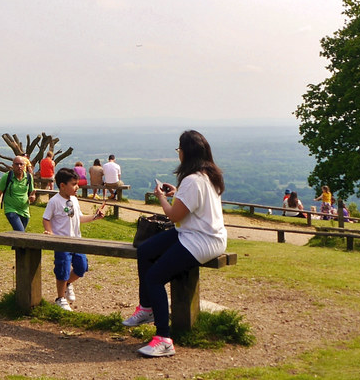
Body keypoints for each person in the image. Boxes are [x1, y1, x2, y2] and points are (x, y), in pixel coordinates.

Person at [122, 130, 227, 359]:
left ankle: (163, 339)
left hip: (200, 239)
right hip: (201, 233)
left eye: (179, 149)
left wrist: (161, 197)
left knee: (154, 277)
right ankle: (147, 308)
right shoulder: (208, 175)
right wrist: (178, 193)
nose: (178, 153)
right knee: (145, 250)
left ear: (185, 152)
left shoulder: (192, 180)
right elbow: (191, 206)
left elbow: (174, 216)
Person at [42, 167, 106, 310]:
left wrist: (95, 217)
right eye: (74, 184)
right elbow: (46, 218)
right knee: (63, 269)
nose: (77, 187)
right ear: (62, 185)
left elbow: (79, 218)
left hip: (77, 241)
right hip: (62, 242)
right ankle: (60, 298)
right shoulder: (54, 201)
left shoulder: (75, 200)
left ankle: (67, 284)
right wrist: (49, 231)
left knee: (81, 267)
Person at [0, 155, 36, 231]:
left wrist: (33, 197)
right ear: (13, 166)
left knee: (19, 235)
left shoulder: (29, 177)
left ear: (25, 166)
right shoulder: (7, 177)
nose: (19, 166)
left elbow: (32, 193)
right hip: (11, 209)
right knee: (20, 232)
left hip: (24, 211)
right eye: (16, 164)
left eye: (21, 164)